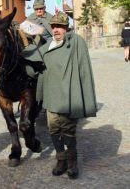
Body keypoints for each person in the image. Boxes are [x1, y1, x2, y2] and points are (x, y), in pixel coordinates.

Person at [36, 11, 97, 179]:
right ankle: (60, 160)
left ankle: (72, 162)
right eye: (54, 26)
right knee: (54, 130)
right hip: (51, 96)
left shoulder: (74, 41)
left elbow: (83, 68)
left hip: (69, 95)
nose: (56, 30)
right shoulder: (48, 44)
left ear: (66, 28)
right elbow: (33, 59)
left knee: (69, 130)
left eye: (60, 27)